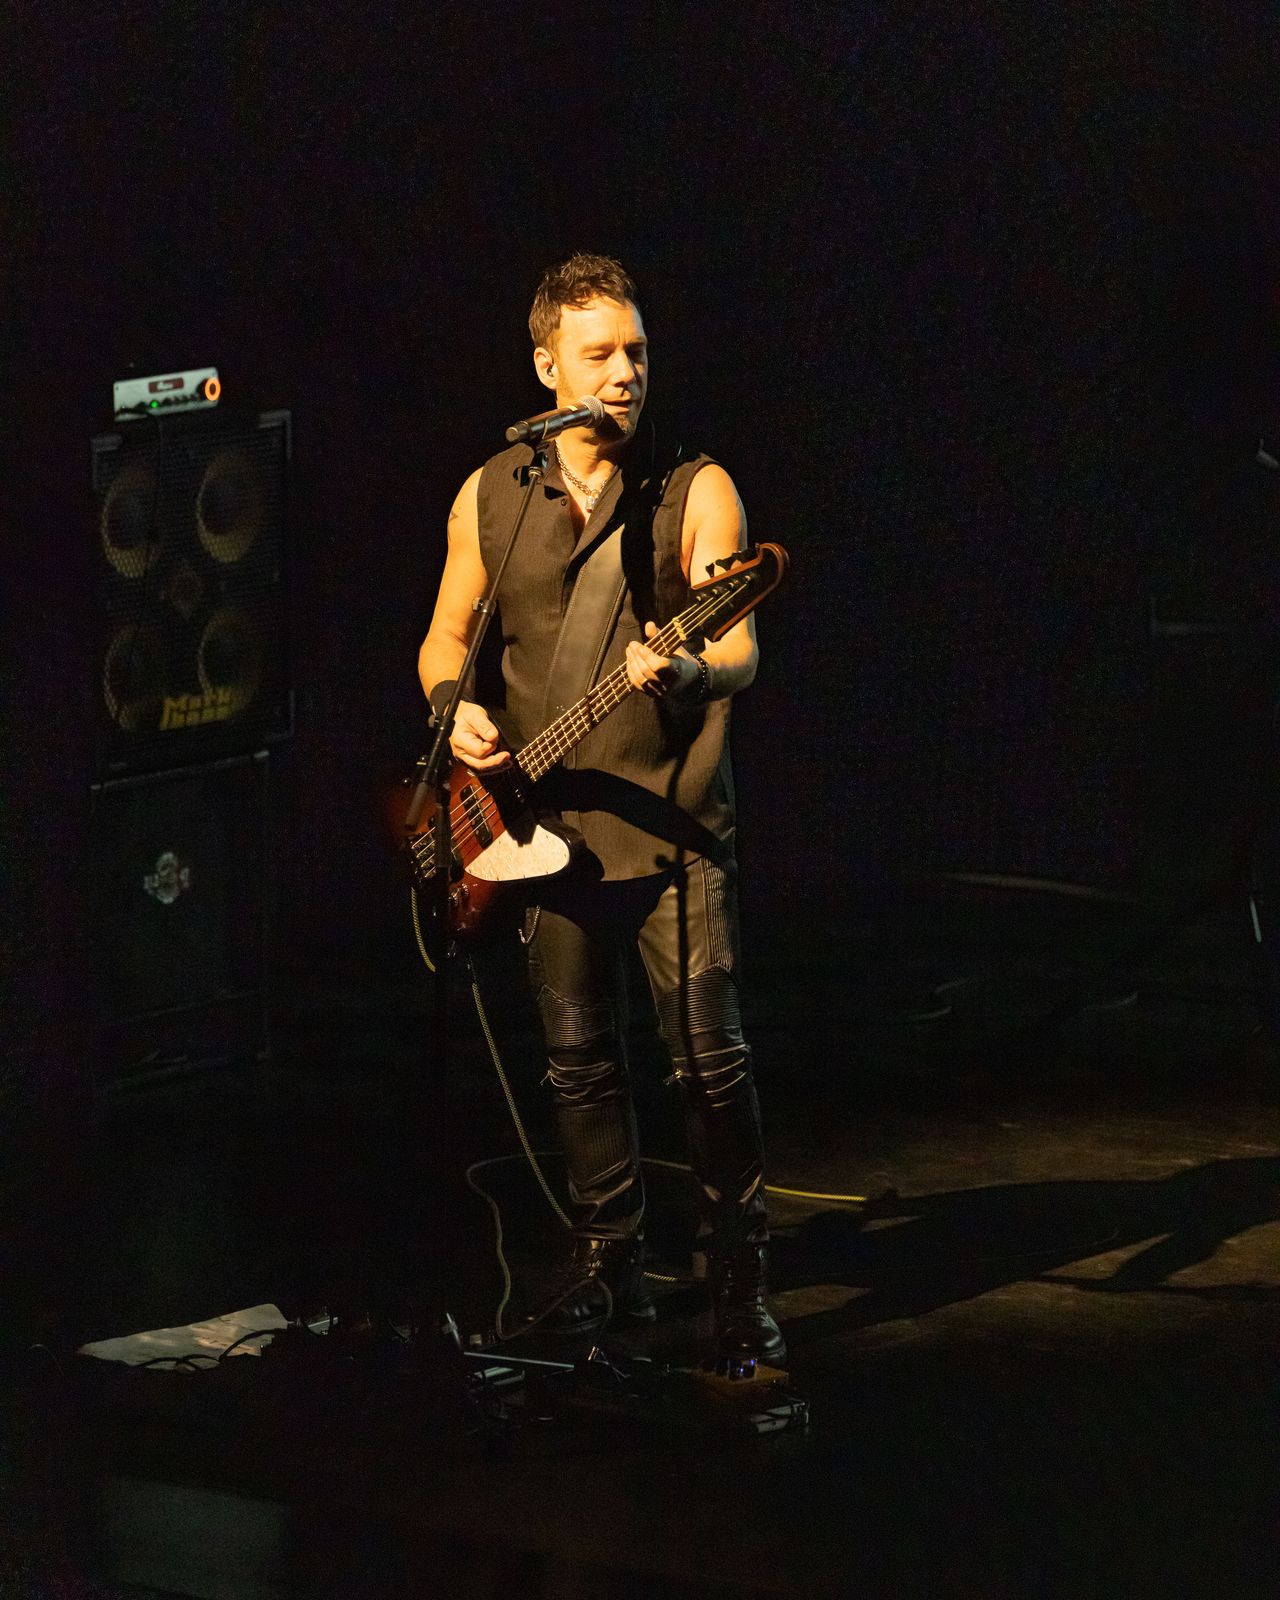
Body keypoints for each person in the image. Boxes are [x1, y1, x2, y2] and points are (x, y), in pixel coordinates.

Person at [417, 253, 783, 1367]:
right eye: (599, 355)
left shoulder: (693, 487)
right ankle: (605, 1260)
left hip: (673, 826)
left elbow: (740, 647)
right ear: (547, 369)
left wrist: (691, 672)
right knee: (576, 1062)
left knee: (708, 1063)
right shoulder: (491, 492)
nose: (624, 373)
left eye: (636, 351)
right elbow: (445, 638)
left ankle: (736, 1275)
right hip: (544, 828)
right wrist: (453, 709)